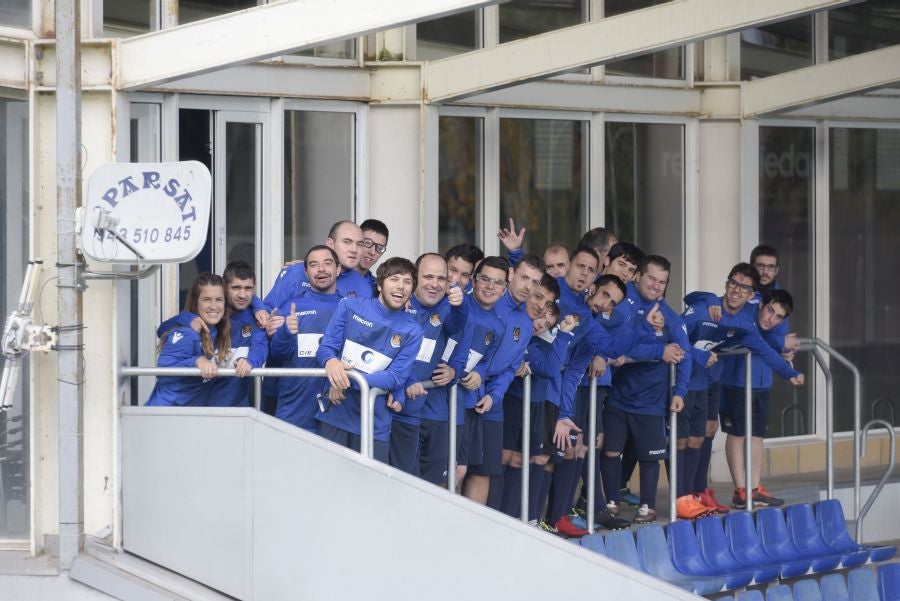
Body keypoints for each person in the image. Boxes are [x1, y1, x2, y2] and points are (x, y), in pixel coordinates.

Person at [676, 264, 803, 519]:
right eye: (733, 283)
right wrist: (712, 300)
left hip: (705, 380)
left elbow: (766, 352)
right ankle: (680, 498)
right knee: (681, 440)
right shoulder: (705, 309)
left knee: (700, 436)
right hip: (679, 379)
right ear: (726, 284)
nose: (736, 290)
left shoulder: (746, 324)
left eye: (744, 287)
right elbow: (675, 331)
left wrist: (790, 373)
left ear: (750, 295)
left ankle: (696, 493)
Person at [599, 255, 689, 524]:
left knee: (651, 457)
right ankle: (611, 503)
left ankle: (647, 507)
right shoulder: (624, 306)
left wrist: (680, 392)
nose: (656, 285)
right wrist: (659, 351)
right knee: (611, 451)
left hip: (651, 402)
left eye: (662, 282)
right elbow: (616, 345)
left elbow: (685, 356)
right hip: (618, 397)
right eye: (651, 278)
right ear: (639, 276)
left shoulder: (670, 317)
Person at [314, 257, 424, 463]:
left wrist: (345, 380)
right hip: (335, 414)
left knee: (370, 491)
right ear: (380, 285)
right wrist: (331, 363)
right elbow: (327, 348)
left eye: (408, 282)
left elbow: (396, 377)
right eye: (394, 279)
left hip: (374, 425)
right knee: (326, 486)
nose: (401, 286)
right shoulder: (349, 306)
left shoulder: (414, 331)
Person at [259, 220, 373, 415]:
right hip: (286, 387)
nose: (354, 249)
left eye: (359, 244)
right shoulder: (295, 273)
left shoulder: (363, 286)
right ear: (330, 243)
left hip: (335, 390)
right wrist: (271, 323)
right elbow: (266, 312)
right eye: (347, 242)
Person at [718, 289, 802, 508]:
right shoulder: (746, 308)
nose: (771, 319)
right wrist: (781, 345)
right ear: (761, 305)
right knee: (737, 434)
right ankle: (740, 490)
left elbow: (774, 338)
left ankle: (754, 488)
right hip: (735, 382)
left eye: (778, 317)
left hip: (762, 383)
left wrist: (781, 346)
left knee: (757, 435)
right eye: (769, 311)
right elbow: (754, 336)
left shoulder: (773, 323)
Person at [390, 253, 468, 476]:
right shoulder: (397, 301)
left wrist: (454, 371)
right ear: (415, 277)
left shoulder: (451, 308)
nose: (435, 284)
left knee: (434, 484)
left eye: (441, 279)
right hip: (394, 409)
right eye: (428, 277)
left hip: (430, 407)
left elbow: (457, 326)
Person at [155, 260, 269, 407]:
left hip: (239, 406)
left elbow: (261, 346)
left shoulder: (257, 319)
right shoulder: (211, 315)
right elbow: (163, 330)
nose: (242, 294)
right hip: (201, 406)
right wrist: (187, 317)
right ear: (225, 288)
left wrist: (251, 361)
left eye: (248, 288)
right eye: (236, 288)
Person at [269, 246, 343, 431]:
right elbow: (277, 354)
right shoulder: (291, 306)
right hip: (295, 407)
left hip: (337, 410)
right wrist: (286, 332)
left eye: (327, 263)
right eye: (313, 265)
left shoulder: (349, 308)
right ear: (306, 272)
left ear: (338, 269)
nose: (321, 269)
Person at [455, 256, 508, 493]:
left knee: (461, 470)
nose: (490, 286)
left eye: (497, 283)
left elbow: (487, 361)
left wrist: (479, 372)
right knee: (445, 469)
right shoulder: (456, 305)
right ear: (474, 280)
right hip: (440, 401)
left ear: (505, 289)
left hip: (469, 404)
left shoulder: (499, 324)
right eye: (485, 279)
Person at [147, 273, 232, 407]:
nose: (214, 306)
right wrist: (197, 361)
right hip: (164, 414)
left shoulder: (219, 332)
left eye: (219, 299)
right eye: (207, 299)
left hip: (188, 416)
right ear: (195, 302)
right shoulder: (188, 332)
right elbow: (163, 372)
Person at [356, 218, 389, 289]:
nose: (372, 252)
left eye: (379, 248)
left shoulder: (377, 288)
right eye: (367, 243)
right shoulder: (334, 278)